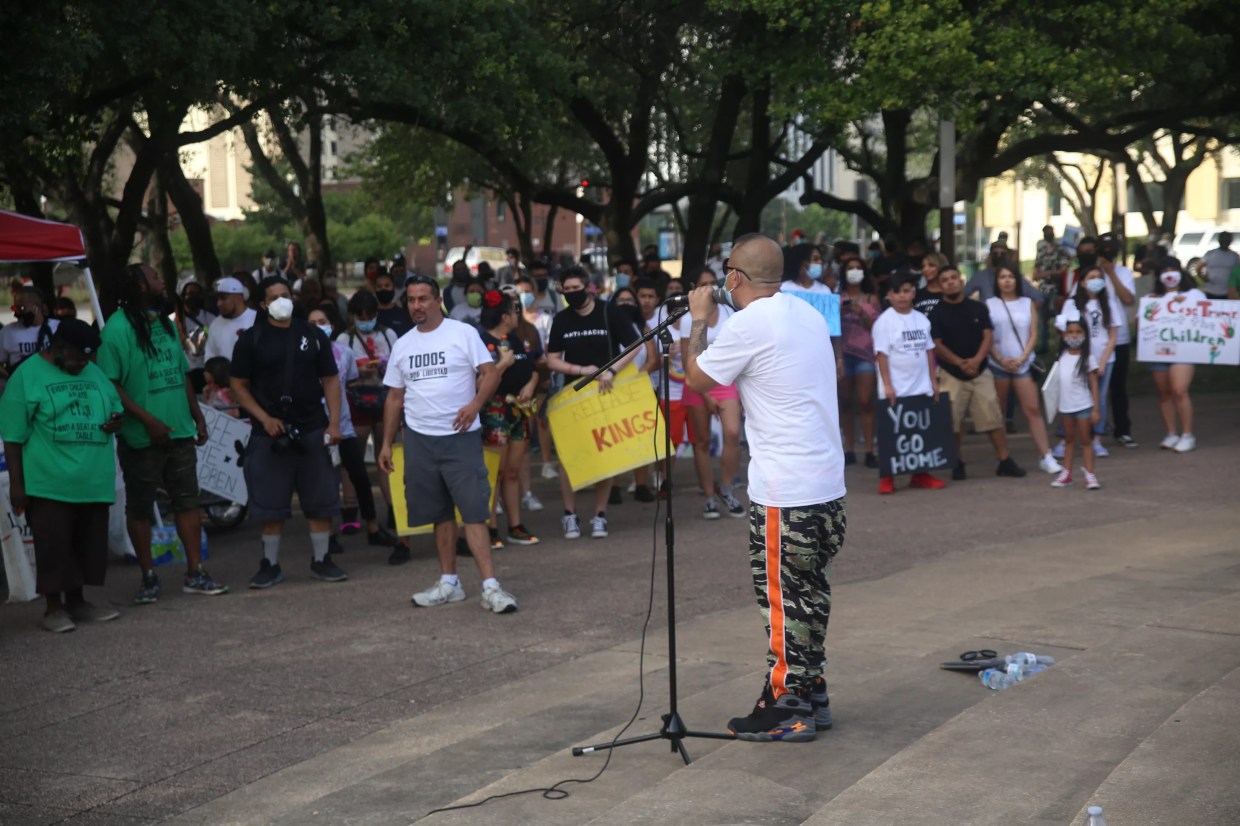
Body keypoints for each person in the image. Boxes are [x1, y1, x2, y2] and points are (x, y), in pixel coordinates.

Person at [683, 233, 845, 742]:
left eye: (725, 271)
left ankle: (787, 707)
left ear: (734, 277)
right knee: (809, 596)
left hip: (786, 493)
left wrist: (698, 322)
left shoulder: (751, 323)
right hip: (826, 487)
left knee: (782, 602)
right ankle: (810, 691)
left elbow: (695, 378)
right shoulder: (807, 313)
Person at [378, 274, 519, 614]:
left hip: (460, 439)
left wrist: (473, 407)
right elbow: (395, 397)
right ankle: (449, 582)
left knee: (473, 511)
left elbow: (491, 373)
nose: (416, 306)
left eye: (423, 299)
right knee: (439, 514)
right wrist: (385, 443)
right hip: (419, 440)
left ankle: (491, 587)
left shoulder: (462, 333)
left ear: (437, 299)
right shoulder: (403, 344)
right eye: (411, 300)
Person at [99, 264, 226, 604]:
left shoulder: (167, 324)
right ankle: (148, 577)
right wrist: (148, 421)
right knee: (140, 509)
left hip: (180, 433)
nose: (161, 280)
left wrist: (198, 415)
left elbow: (181, 373)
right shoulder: (117, 328)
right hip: (142, 439)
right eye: (155, 276)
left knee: (188, 503)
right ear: (140, 286)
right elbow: (111, 385)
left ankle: (194, 573)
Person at [0, 320, 125, 632]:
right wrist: (17, 484)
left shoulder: (92, 371)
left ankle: (78, 603)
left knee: (88, 543)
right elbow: (13, 436)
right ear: (58, 349)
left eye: (87, 359)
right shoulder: (26, 376)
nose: (83, 365)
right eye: (77, 359)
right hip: (49, 480)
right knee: (54, 545)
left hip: (92, 478)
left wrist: (115, 420)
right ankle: (53, 608)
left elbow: (115, 406)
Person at [230, 276, 348, 589]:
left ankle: (322, 560)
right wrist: (263, 417)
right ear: (262, 304)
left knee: (320, 499)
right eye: (275, 297)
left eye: (287, 294)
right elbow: (238, 385)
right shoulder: (250, 339)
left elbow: (331, 380)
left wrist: (333, 423)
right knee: (270, 504)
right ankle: (269, 564)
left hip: (311, 426)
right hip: (268, 432)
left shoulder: (312, 335)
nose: (283, 300)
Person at [545, 266, 641, 539]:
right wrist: (579, 370)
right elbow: (552, 358)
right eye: (567, 290)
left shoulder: (609, 312)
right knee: (568, 455)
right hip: (572, 394)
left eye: (577, 289)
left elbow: (636, 345)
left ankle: (600, 514)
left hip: (605, 392)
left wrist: (610, 370)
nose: (572, 294)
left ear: (588, 287)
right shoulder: (562, 319)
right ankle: (569, 514)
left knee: (605, 454)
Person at [308, 306, 401, 560]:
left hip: (344, 424)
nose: (319, 325)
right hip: (316, 426)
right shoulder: (301, 354)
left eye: (323, 320)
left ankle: (372, 526)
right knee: (323, 479)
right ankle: (326, 534)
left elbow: (348, 380)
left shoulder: (343, 351)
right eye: (313, 322)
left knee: (359, 475)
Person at [928, 267, 1027, 480]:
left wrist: (976, 360)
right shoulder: (936, 312)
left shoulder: (978, 308)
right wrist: (959, 363)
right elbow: (936, 344)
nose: (950, 283)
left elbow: (987, 336)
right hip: (951, 373)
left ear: (961, 281)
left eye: (954, 278)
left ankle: (1004, 460)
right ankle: (957, 462)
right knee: (953, 421)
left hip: (981, 371)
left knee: (993, 418)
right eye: (945, 280)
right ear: (940, 285)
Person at [678, 269, 744, 518]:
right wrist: (705, 395)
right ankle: (709, 498)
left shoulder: (729, 313)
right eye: (701, 285)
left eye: (710, 284)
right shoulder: (688, 318)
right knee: (702, 441)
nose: (707, 290)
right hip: (696, 382)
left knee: (733, 433)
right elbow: (688, 361)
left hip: (724, 380)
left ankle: (726, 489)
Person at [478, 290, 541, 546]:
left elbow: (534, 368)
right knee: (494, 472)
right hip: (495, 411)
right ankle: (490, 528)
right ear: (505, 316)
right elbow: (479, 383)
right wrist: (502, 364)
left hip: (519, 411)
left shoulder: (515, 339)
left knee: (513, 471)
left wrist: (532, 383)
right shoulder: (480, 342)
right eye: (515, 310)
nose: (518, 314)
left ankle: (515, 526)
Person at [873, 274, 945, 494]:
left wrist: (933, 381)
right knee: (893, 433)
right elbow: (882, 354)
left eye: (906, 291)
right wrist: (887, 385)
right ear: (889, 295)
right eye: (897, 292)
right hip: (896, 385)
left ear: (913, 292)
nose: (902, 296)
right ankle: (888, 476)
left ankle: (920, 474)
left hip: (920, 384)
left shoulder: (922, 320)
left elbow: (929, 350)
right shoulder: (884, 321)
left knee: (921, 433)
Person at [986, 264, 1061, 474]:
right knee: (998, 413)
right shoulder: (989, 304)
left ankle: (1046, 455)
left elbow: (1033, 334)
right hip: (998, 364)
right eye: (1003, 277)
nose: (1007, 280)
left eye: (1011, 276)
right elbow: (987, 337)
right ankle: (1003, 457)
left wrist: (1023, 357)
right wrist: (1000, 358)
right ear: (997, 281)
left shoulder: (1027, 303)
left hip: (1023, 363)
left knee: (1033, 410)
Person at [1052, 266, 1120, 460]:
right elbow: (1063, 329)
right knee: (1071, 395)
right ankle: (1067, 437)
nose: (1096, 280)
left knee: (1099, 397)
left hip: (1104, 358)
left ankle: (1096, 439)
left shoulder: (1109, 304)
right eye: (1092, 277)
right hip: (1076, 358)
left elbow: (1113, 336)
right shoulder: (1072, 303)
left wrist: (1103, 362)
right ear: (1082, 282)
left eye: (1100, 277)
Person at [1149, 261, 1205, 453]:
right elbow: (1142, 323)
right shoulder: (1153, 298)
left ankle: (1188, 435)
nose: (1169, 274)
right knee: (1165, 394)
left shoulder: (1194, 294)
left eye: (1172, 269)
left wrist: (1186, 304)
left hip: (1184, 349)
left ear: (1180, 272)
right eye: (1164, 270)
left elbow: (1206, 317)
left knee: (1179, 390)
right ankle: (1171, 433)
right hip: (1159, 349)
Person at [1049, 307, 1101, 490]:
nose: (1074, 336)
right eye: (1070, 332)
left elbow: (1094, 384)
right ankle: (1067, 473)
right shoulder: (1060, 357)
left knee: (1086, 440)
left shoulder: (1088, 358)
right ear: (1064, 335)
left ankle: (1090, 474)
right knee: (1069, 440)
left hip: (1083, 405)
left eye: (1078, 332)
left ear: (1085, 334)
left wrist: (1095, 409)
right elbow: (1055, 382)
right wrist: (1054, 404)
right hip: (1065, 406)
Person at [1095, 234, 1138, 448]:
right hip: (1094, 339)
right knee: (1093, 388)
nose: (1108, 251)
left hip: (1118, 339)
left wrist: (1111, 273)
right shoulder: (1090, 273)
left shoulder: (1124, 273)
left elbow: (1128, 299)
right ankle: (1095, 432)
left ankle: (1123, 430)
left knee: (1118, 388)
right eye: (1104, 248)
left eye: (1112, 248)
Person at [516, 274, 558, 481]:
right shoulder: (513, 323)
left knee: (542, 421)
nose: (524, 296)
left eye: (527, 292)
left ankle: (546, 463)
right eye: (520, 293)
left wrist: (545, 374)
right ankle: (521, 468)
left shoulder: (545, 320)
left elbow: (549, 351)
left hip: (542, 376)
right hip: (520, 378)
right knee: (526, 424)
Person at [837, 260, 880, 467]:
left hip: (865, 355)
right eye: (850, 267)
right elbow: (828, 326)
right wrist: (841, 313)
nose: (854, 271)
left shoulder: (872, 299)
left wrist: (862, 313)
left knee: (865, 402)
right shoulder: (836, 298)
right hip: (842, 355)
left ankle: (870, 450)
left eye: (858, 267)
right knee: (845, 403)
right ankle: (849, 449)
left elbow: (879, 328)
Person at [0, 286, 58, 376]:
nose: (16, 314)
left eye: (21, 308)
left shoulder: (57, 328)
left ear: (37, 307)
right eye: (14, 308)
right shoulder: (7, 332)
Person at [203, 276, 257, 363]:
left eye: (223, 298)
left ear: (239, 297)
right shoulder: (215, 324)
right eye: (217, 299)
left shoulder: (258, 320)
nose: (219, 303)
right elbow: (210, 356)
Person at [174, 280, 215, 393]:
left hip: (206, 371)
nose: (194, 297)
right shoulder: (173, 320)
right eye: (190, 293)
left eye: (198, 293)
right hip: (186, 372)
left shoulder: (210, 318)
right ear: (183, 296)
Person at [1200, 231, 1238, 299]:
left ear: (1230, 241)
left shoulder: (1234, 256)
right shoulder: (1210, 253)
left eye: (1227, 239)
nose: (1225, 241)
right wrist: (1203, 278)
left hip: (1227, 292)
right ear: (1219, 240)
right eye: (1223, 239)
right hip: (1210, 290)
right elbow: (1199, 267)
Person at [373, 271, 411, 336]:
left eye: (387, 285)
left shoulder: (404, 315)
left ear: (393, 287)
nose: (383, 289)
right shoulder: (371, 315)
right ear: (375, 289)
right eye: (379, 286)